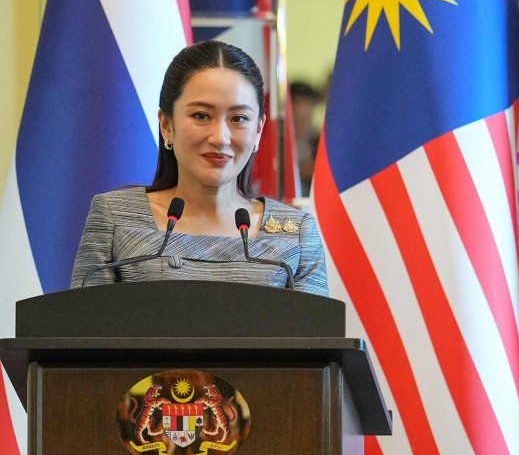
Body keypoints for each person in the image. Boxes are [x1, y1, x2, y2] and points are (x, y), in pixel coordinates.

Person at [71, 40, 328, 295]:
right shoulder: (116, 217)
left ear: (258, 130)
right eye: (201, 116)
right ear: (167, 125)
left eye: (238, 119)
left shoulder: (297, 232)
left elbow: (314, 335)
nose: (220, 138)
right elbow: (83, 332)